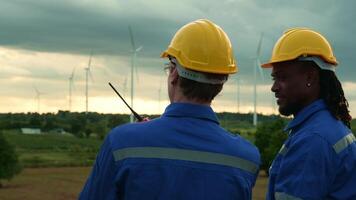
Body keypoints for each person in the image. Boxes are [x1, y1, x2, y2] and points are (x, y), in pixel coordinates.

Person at [79, 19, 260, 200]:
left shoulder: (121, 144)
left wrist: (141, 135)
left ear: (174, 72)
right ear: (221, 84)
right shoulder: (246, 159)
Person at [261, 28, 356, 199]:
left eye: (282, 77)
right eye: (274, 78)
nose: (274, 87)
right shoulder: (328, 127)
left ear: (310, 78)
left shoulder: (313, 139)